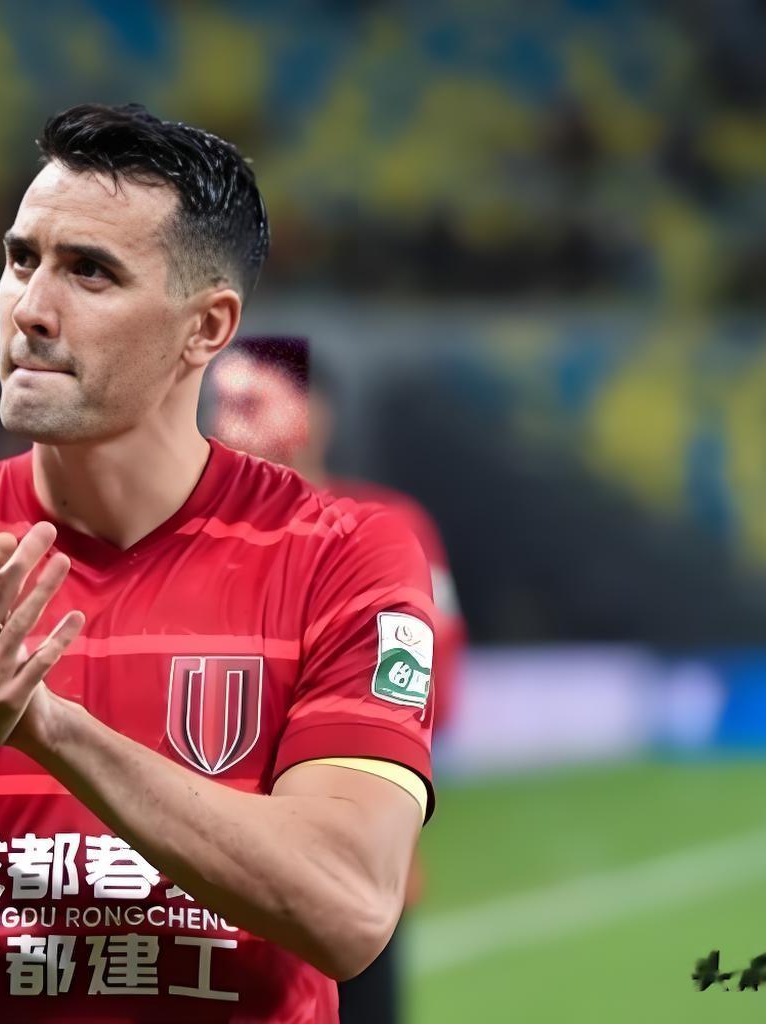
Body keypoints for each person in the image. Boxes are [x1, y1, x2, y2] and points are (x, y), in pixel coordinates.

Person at [0, 104, 438, 1023]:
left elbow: (349, 906)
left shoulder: (342, 555)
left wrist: (45, 724)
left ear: (206, 328)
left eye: (90, 271)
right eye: (21, 260)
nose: (31, 310)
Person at [209, 335, 467, 1024]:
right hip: (211, 874)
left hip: (346, 864)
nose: (230, 422)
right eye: (224, 404)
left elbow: (434, 684)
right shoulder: (195, 538)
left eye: (253, 403)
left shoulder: (388, 529)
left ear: (314, 414)